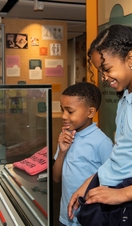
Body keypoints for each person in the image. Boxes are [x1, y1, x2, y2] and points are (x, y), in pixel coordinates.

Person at [68, 24, 132, 226]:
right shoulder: (125, 99)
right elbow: (120, 155)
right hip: (108, 189)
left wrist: (122, 194)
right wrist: (89, 183)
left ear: (130, 59)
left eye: (107, 69)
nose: (104, 78)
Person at [53, 82, 113, 226]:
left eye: (70, 111)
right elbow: (55, 178)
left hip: (90, 218)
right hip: (65, 216)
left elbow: (111, 182)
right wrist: (62, 152)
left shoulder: (102, 142)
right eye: (62, 110)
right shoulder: (65, 135)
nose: (63, 116)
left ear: (90, 112)